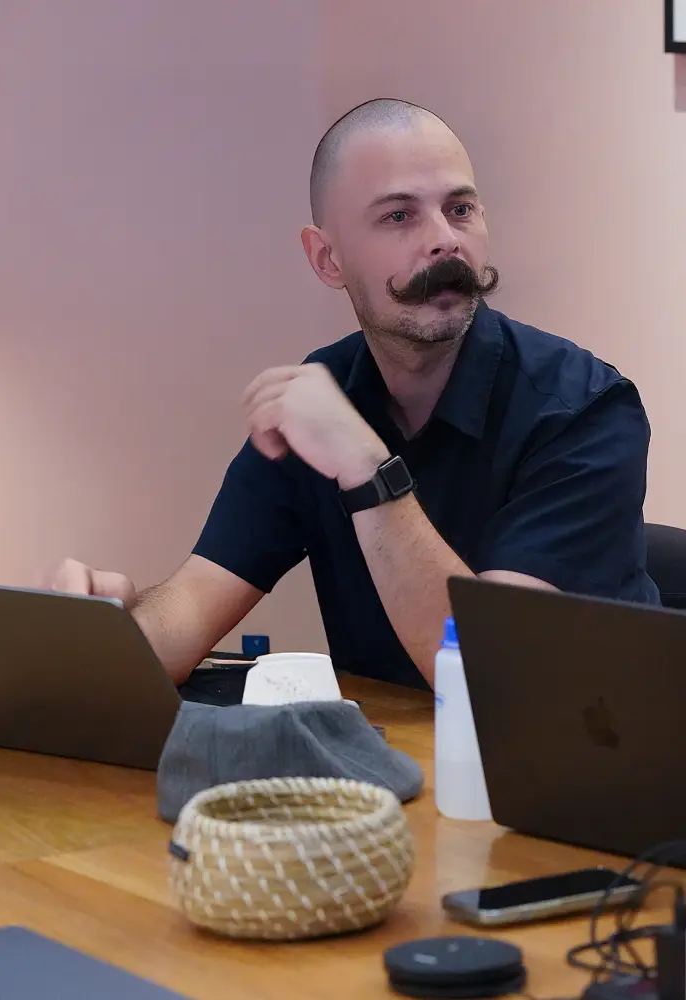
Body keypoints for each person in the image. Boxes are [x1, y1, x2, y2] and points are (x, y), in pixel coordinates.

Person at [43, 99, 659, 690]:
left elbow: (491, 681)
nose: (445, 240)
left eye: (461, 209)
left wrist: (367, 468)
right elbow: (189, 610)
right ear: (327, 258)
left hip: (578, 780)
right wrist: (101, 626)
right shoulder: (323, 397)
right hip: (390, 774)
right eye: (399, 215)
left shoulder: (586, 411)